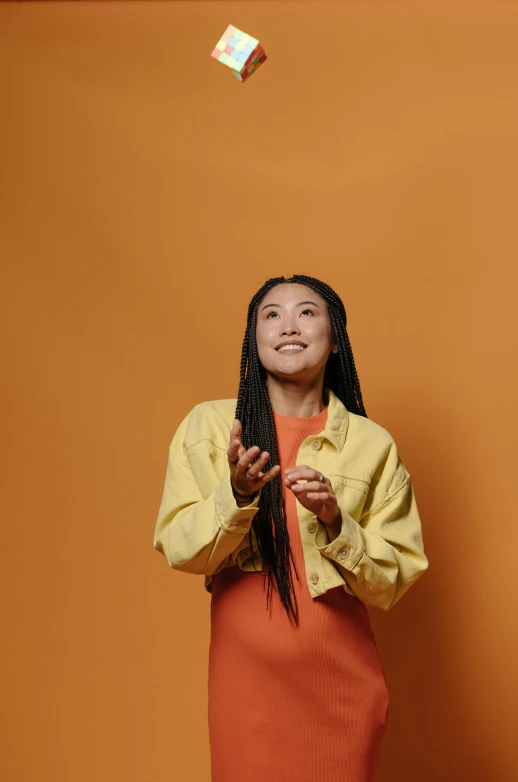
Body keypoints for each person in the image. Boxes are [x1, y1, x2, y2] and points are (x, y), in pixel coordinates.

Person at [153, 274, 429, 782]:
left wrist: (336, 520)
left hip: (343, 690)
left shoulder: (372, 445)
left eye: (307, 312)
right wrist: (235, 494)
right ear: (253, 339)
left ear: (335, 338)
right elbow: (179, 547)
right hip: (248, 692)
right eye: (271, 315)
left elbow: (393, 580)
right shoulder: (211, 429)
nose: (288, 326)